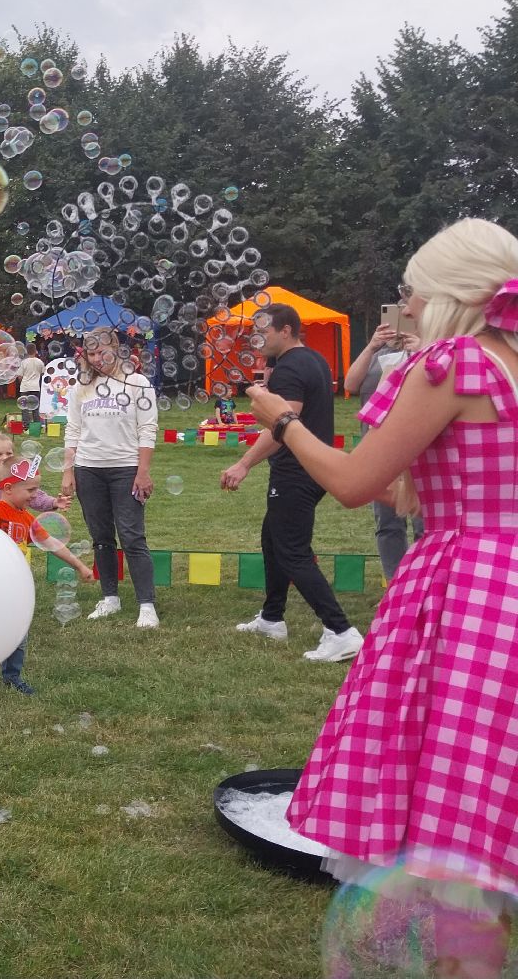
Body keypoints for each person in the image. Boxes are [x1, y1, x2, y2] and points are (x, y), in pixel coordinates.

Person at [250, 219, 518, 978]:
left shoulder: (455, 365)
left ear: (449, 294)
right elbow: (414, 490)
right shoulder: (510, 364)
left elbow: (353, 484)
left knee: (448, 834)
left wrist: (285, 420)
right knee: (486, 805)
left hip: (470, 593)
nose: (410, 306)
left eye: (414, 291)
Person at [220, 303, 359, 661]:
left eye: (263, 330)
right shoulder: (308, 359)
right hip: (308, 468)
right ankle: (271, 618)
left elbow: (282, 426)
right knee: (273, 540)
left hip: (297, 471)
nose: (257, 337)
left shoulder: (291, 367)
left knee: (292, 551)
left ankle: (340, 630)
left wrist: (244, 463)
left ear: (286, 330)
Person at [0, 439, 94, 695]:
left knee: (18, 634)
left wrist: (80, 566)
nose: (35, 496)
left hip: (15, 588)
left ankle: (12, 676)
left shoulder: (27, 518)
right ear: (7, 488)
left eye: (36, 490)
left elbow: (51, 543)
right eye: (30, 490)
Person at [60, 329, 162, 629]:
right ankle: (110, 597)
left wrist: (142, 471)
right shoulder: (81, 386)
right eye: (90, 354)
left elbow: (148, 428)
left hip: (126, 469)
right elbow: (73, 430)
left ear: (116, 349)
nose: (96, 359)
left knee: (132, 537)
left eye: (101, 352)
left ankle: (146, 605)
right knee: (101, 538)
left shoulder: (137, 382)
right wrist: (68, 470)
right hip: (88, 468)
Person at [344, 322, 424, 581]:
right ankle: (396, 585)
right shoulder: (378, 354)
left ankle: (426, 584)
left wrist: (422, 348)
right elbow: (351, 383)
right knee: (388, 523)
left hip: (419, 451)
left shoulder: (431, 352)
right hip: (378, 451)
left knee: (426, 523)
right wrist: (371, 345)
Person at [18, 342, 45, 426]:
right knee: (35, 406)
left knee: (24, 407)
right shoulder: (39, 362)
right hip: (35, 387)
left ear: (27, 351)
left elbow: (19, 376)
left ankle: (26, 425)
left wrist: (21, 383)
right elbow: (43, 373)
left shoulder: (24, 362)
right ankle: (37, 424)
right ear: (35, 350)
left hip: (25, 387)